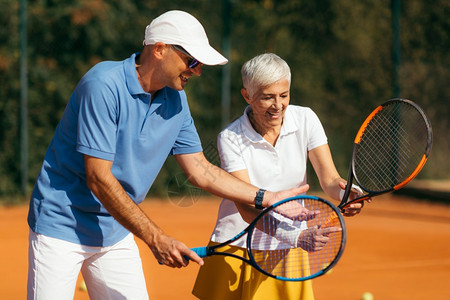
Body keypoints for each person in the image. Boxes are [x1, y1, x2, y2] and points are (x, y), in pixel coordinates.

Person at [26, 12, 309, 300]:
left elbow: (200, 170)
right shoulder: (103, 85)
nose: (196, 71)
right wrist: (155, 238)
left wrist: (264, 197)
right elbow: (98, 178)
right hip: (61, 226)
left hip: (113, 230)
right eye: (192, 61)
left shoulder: (176, 101)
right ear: (159, 49)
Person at [192, 53, 366, 300]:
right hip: (238, 246)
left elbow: (330, 180)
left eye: (283, 95)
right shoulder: (230, 138)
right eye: (267, 97)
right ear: (247, 96)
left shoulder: (306, 119)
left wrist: (346, 193)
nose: (278, 105)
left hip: (287, 250)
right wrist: (296, 235)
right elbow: (246, 205)